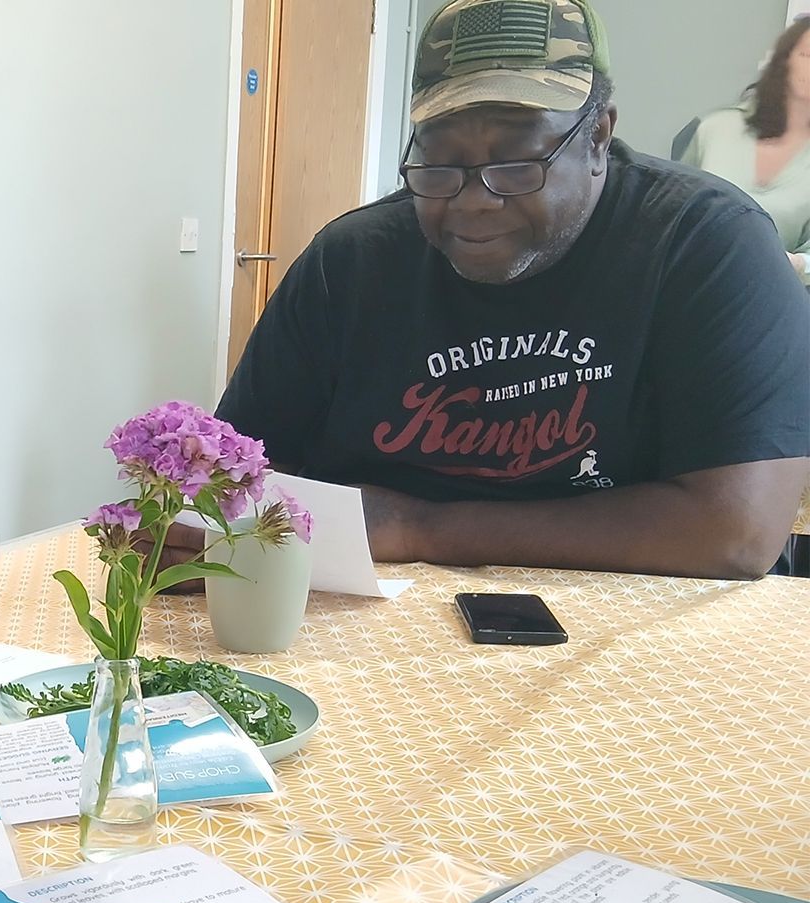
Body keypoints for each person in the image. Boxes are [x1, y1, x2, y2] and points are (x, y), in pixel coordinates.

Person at [215, 0, 810, 580]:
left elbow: (737, 532)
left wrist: (418, 527)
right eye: (441, 163)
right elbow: (233, 475)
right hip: (376, 613)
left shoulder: (708, 245)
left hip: (646, 622)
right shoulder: (349, 262)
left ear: (598, 137)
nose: (475, 200)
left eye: (518, 162)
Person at [682, 18, 810, 285]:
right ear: (785, 59)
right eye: (808, 55)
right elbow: (670, 205)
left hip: (774, 294)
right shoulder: (717, 128)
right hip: (688, 279)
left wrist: (798, 264)